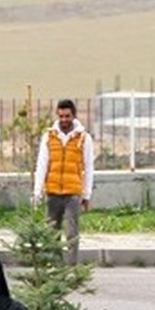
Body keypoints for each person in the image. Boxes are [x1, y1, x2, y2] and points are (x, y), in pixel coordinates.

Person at [32, 98, 94, 263]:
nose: (64, 120)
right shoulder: (49, 136)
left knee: (72, 232)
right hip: (53, 191)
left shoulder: (83, 138)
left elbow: (88, 167)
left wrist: (87, 194)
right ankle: (55, 265)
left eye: (67, 116)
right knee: (52, 232)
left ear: (74, 115)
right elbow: (42, 164)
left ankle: (71, 266)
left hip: (73, 192)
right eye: (61, 116)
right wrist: (37, 191)